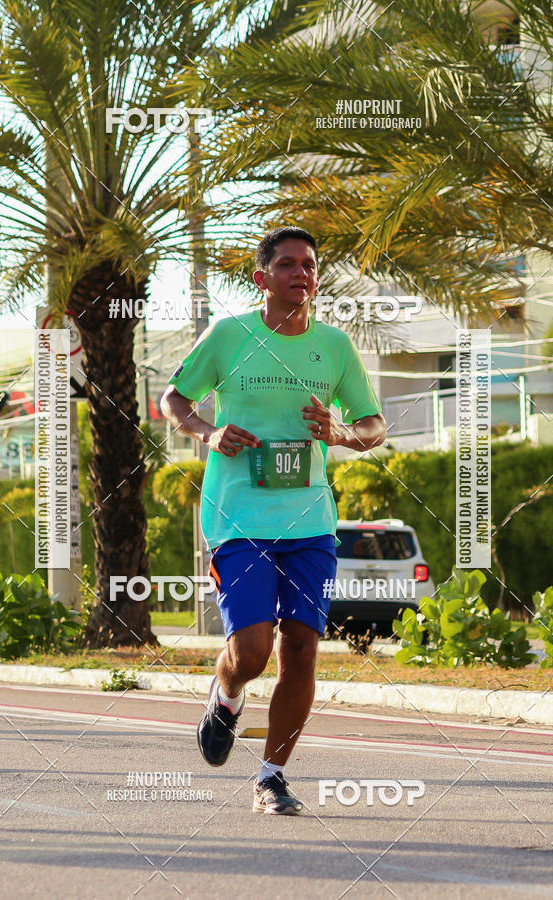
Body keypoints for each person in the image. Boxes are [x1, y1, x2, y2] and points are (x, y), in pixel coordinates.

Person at [160, 226, 386, 815]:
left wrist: (341, 433)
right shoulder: (231, 336)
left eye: (309, 265)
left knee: (304, 647)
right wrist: (209, 434)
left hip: (310, 518)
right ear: (262, 278)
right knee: (253, 649)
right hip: (238, 515)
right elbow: (173, 400)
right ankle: (227, 694)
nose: (301, 273)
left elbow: (372, 425)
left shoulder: (334, 347)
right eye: (287, 264)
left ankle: (271, 776)